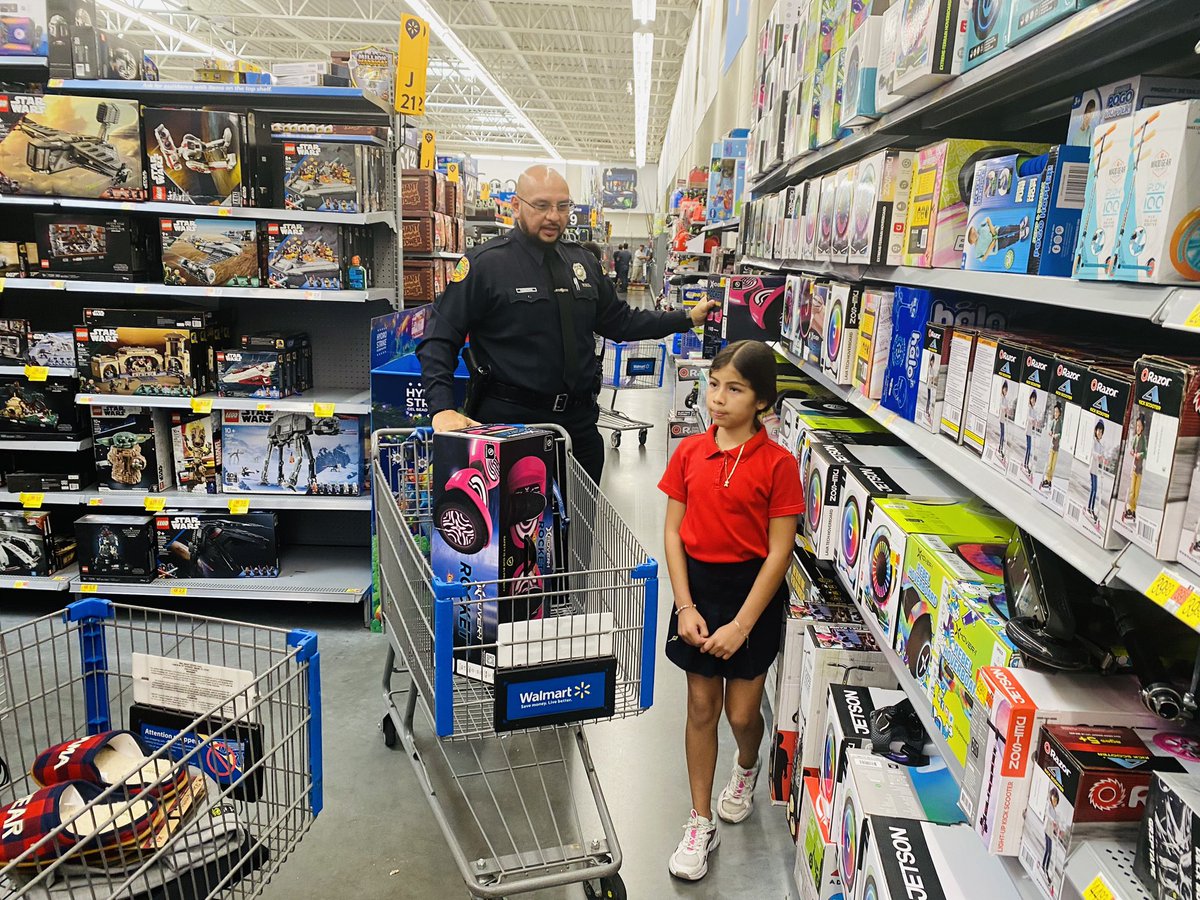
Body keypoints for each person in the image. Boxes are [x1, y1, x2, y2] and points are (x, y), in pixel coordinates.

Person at [418, 165, 718, 486]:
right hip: (511, 427)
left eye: (563, 206)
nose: (554, 216)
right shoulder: (485, 265)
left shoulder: (583, 263)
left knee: (579, 530)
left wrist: (685, 319)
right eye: (542, 205)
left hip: (580, 427)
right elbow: (439, 339)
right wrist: (442, 409)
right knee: (518, 532)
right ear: (517, 206)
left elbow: (619, 322)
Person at [657, 340, 804, 881]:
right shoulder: (689, 453)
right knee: (701, 707)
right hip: (698, 589)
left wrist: (743, 624)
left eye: (734, 388)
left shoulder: (779, 465)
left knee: (742, 713)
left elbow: (780, 551)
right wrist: (684, 605)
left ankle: (746, 765)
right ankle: (699, 821)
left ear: (762, 401)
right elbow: (673, 533)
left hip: (753, 595)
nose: (718, 398)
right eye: (714, 383)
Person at [1123, 413, 1148, 520]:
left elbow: (1145, 453)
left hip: (1140, 470)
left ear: (1142, 427)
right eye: (1137, 426)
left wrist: (1140, 454)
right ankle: (1129, 507)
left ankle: (1133, 510)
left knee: (1136, 492)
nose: (1138, 428)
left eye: (1140, 426)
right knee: (1132, 490)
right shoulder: (1134, 438)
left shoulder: (1143, 439)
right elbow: (1131, 450)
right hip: (1134, 468)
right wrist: (1133, 452)